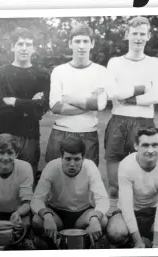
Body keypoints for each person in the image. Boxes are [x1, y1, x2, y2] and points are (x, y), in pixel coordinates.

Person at [104, 16, 158, 215]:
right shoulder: (114, 62)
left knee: (140, 178)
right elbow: (112, 92)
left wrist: (130, 98)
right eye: (135, 33)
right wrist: (142, 88)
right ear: (127, 34)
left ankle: (138, 220)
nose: (138, 38)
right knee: (114, 184)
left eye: (142, 34)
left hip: (143, 123)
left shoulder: (154, 62)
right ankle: (114, 218)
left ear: (147, 36)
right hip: (118, 121)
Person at [0, 28, 50, 179]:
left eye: (28, 44)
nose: (24, 48)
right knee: (1, 180)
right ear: (12, 47)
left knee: (27, 181)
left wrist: (14, 101)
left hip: (30, 136)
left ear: (34, 48)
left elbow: (40, 110)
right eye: (20, 43)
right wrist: (30, 104)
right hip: (4, 133)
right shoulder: (0, 73)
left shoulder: (42, 75)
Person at [45, 24, 110, 167]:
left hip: (88, 133)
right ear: (70, 44)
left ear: (92, 44)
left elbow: (100, 104)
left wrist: (67, 98)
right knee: (57, 182)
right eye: (77, 41)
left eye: (86, 41)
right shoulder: (59, 71)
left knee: (86, 182)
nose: (81, 46)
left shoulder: (101, 71)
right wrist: (89, 103)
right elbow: (55, 106)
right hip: (61, 132)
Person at [31, 136, 109, 247]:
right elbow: (37, 199)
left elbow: (102, 199)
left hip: (82, 213)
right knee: (37, 220)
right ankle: (49, 245)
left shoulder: (90, 167)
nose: (72, 164)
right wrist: (47, 216)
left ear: (83, 158)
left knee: (103, 220)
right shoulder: (52, 167)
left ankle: (87, 244)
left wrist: (95, 217)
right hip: (57, 213)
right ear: (61, 157)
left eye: (77, 159)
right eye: (68, 159)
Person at [106, 127, 158, 249]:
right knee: (116, 233)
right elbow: (126, 206)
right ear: (136, 146)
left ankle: (151, 239)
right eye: (145, 145)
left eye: (155, 145)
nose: (150, 150)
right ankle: (136, 239)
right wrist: (137, 242)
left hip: (153, 212)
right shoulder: (126, 165)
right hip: (130, 211)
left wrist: (157, 243)